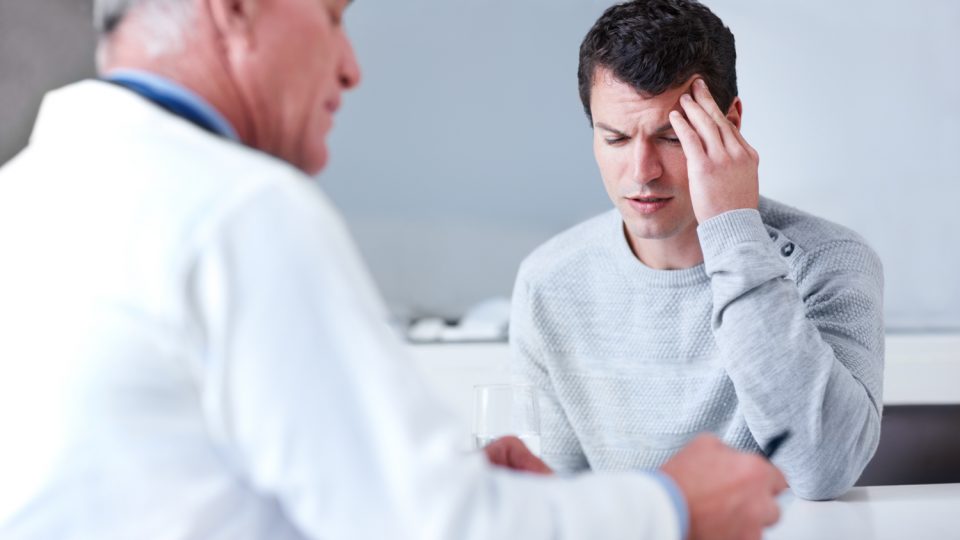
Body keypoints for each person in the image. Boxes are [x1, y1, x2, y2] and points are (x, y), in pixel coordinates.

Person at [0, 0, 786, 538]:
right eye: (333, 16)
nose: (351, 68)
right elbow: (431, 528)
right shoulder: (238, 209)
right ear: (232, 9)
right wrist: (673, 506)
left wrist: (412, 474)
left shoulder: (32, 190)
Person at [510, 0, 884, 501]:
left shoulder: (827, 259)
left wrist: (733, 228)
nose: (641, 172)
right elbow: (555, 500)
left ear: (729, 124)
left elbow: (823, 469)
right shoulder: (550, 280)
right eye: (615, 138)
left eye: (670, 137)